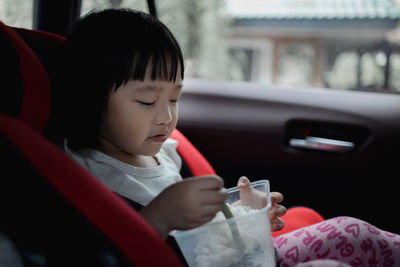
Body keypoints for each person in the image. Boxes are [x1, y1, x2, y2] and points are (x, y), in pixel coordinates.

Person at [58, 8, 400, 267]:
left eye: (175, 99)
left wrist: (242, 218)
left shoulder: (165, 152)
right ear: (90, 99)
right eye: (147, 101)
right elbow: (100, 255)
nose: (166, 116)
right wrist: (159, 217)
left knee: (348, 231)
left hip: (236, 258)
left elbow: (199, 235)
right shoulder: (83, 174)